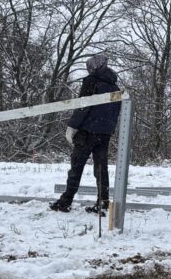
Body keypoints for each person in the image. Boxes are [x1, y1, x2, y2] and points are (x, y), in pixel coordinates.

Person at [50, 54, 121, 214]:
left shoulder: (91, 82)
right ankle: (103, 203)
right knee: (101, 168)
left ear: (95, 67)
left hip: (87, 131)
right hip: (105, 133)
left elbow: (83, 106)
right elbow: (116, 112)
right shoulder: (115, 88)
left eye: (89, 67)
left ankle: (65, 201)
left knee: (76, 166)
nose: (88, 70)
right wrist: (108, 129)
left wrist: (72, 126)